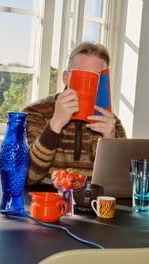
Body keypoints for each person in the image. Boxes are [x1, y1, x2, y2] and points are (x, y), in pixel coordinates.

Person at [22, 41, 126, 185]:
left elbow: (118, 183)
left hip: (93, 204)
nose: (89, 83)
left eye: (96, 77)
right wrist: (55, 124)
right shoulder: (35, 113)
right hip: (48, 202)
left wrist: (110, 140)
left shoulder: (111, 122)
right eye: (83, 76)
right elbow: (27, 177)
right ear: (66, 77)